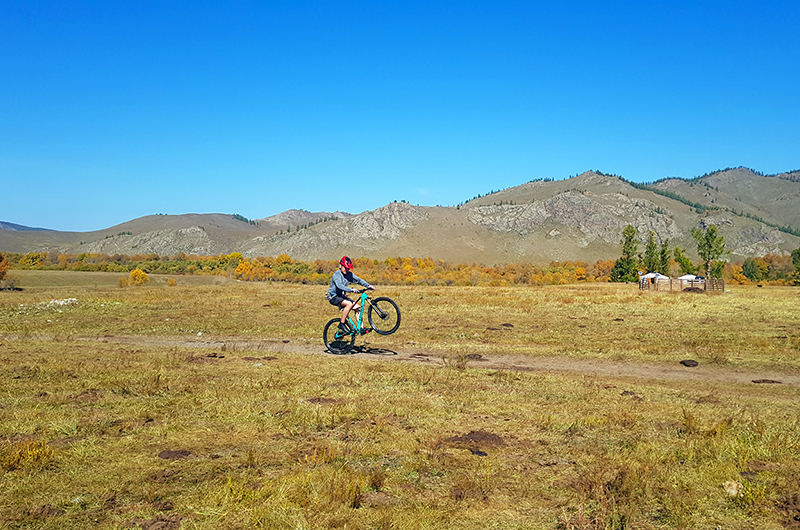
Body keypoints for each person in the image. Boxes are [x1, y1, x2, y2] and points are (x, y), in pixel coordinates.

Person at [326, 256, 374, 332]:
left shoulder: (348, 274)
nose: (347, 270)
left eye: (348, 268)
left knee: (358, 308)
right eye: (345, 267)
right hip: (333, 296)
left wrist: (368, 285)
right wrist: (351, 290)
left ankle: (361, 328)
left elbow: (358, 280)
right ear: (340, 266)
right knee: (349, 304)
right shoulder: (337, 275)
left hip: (341, 296)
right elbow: (339, 286)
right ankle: (342, 324)